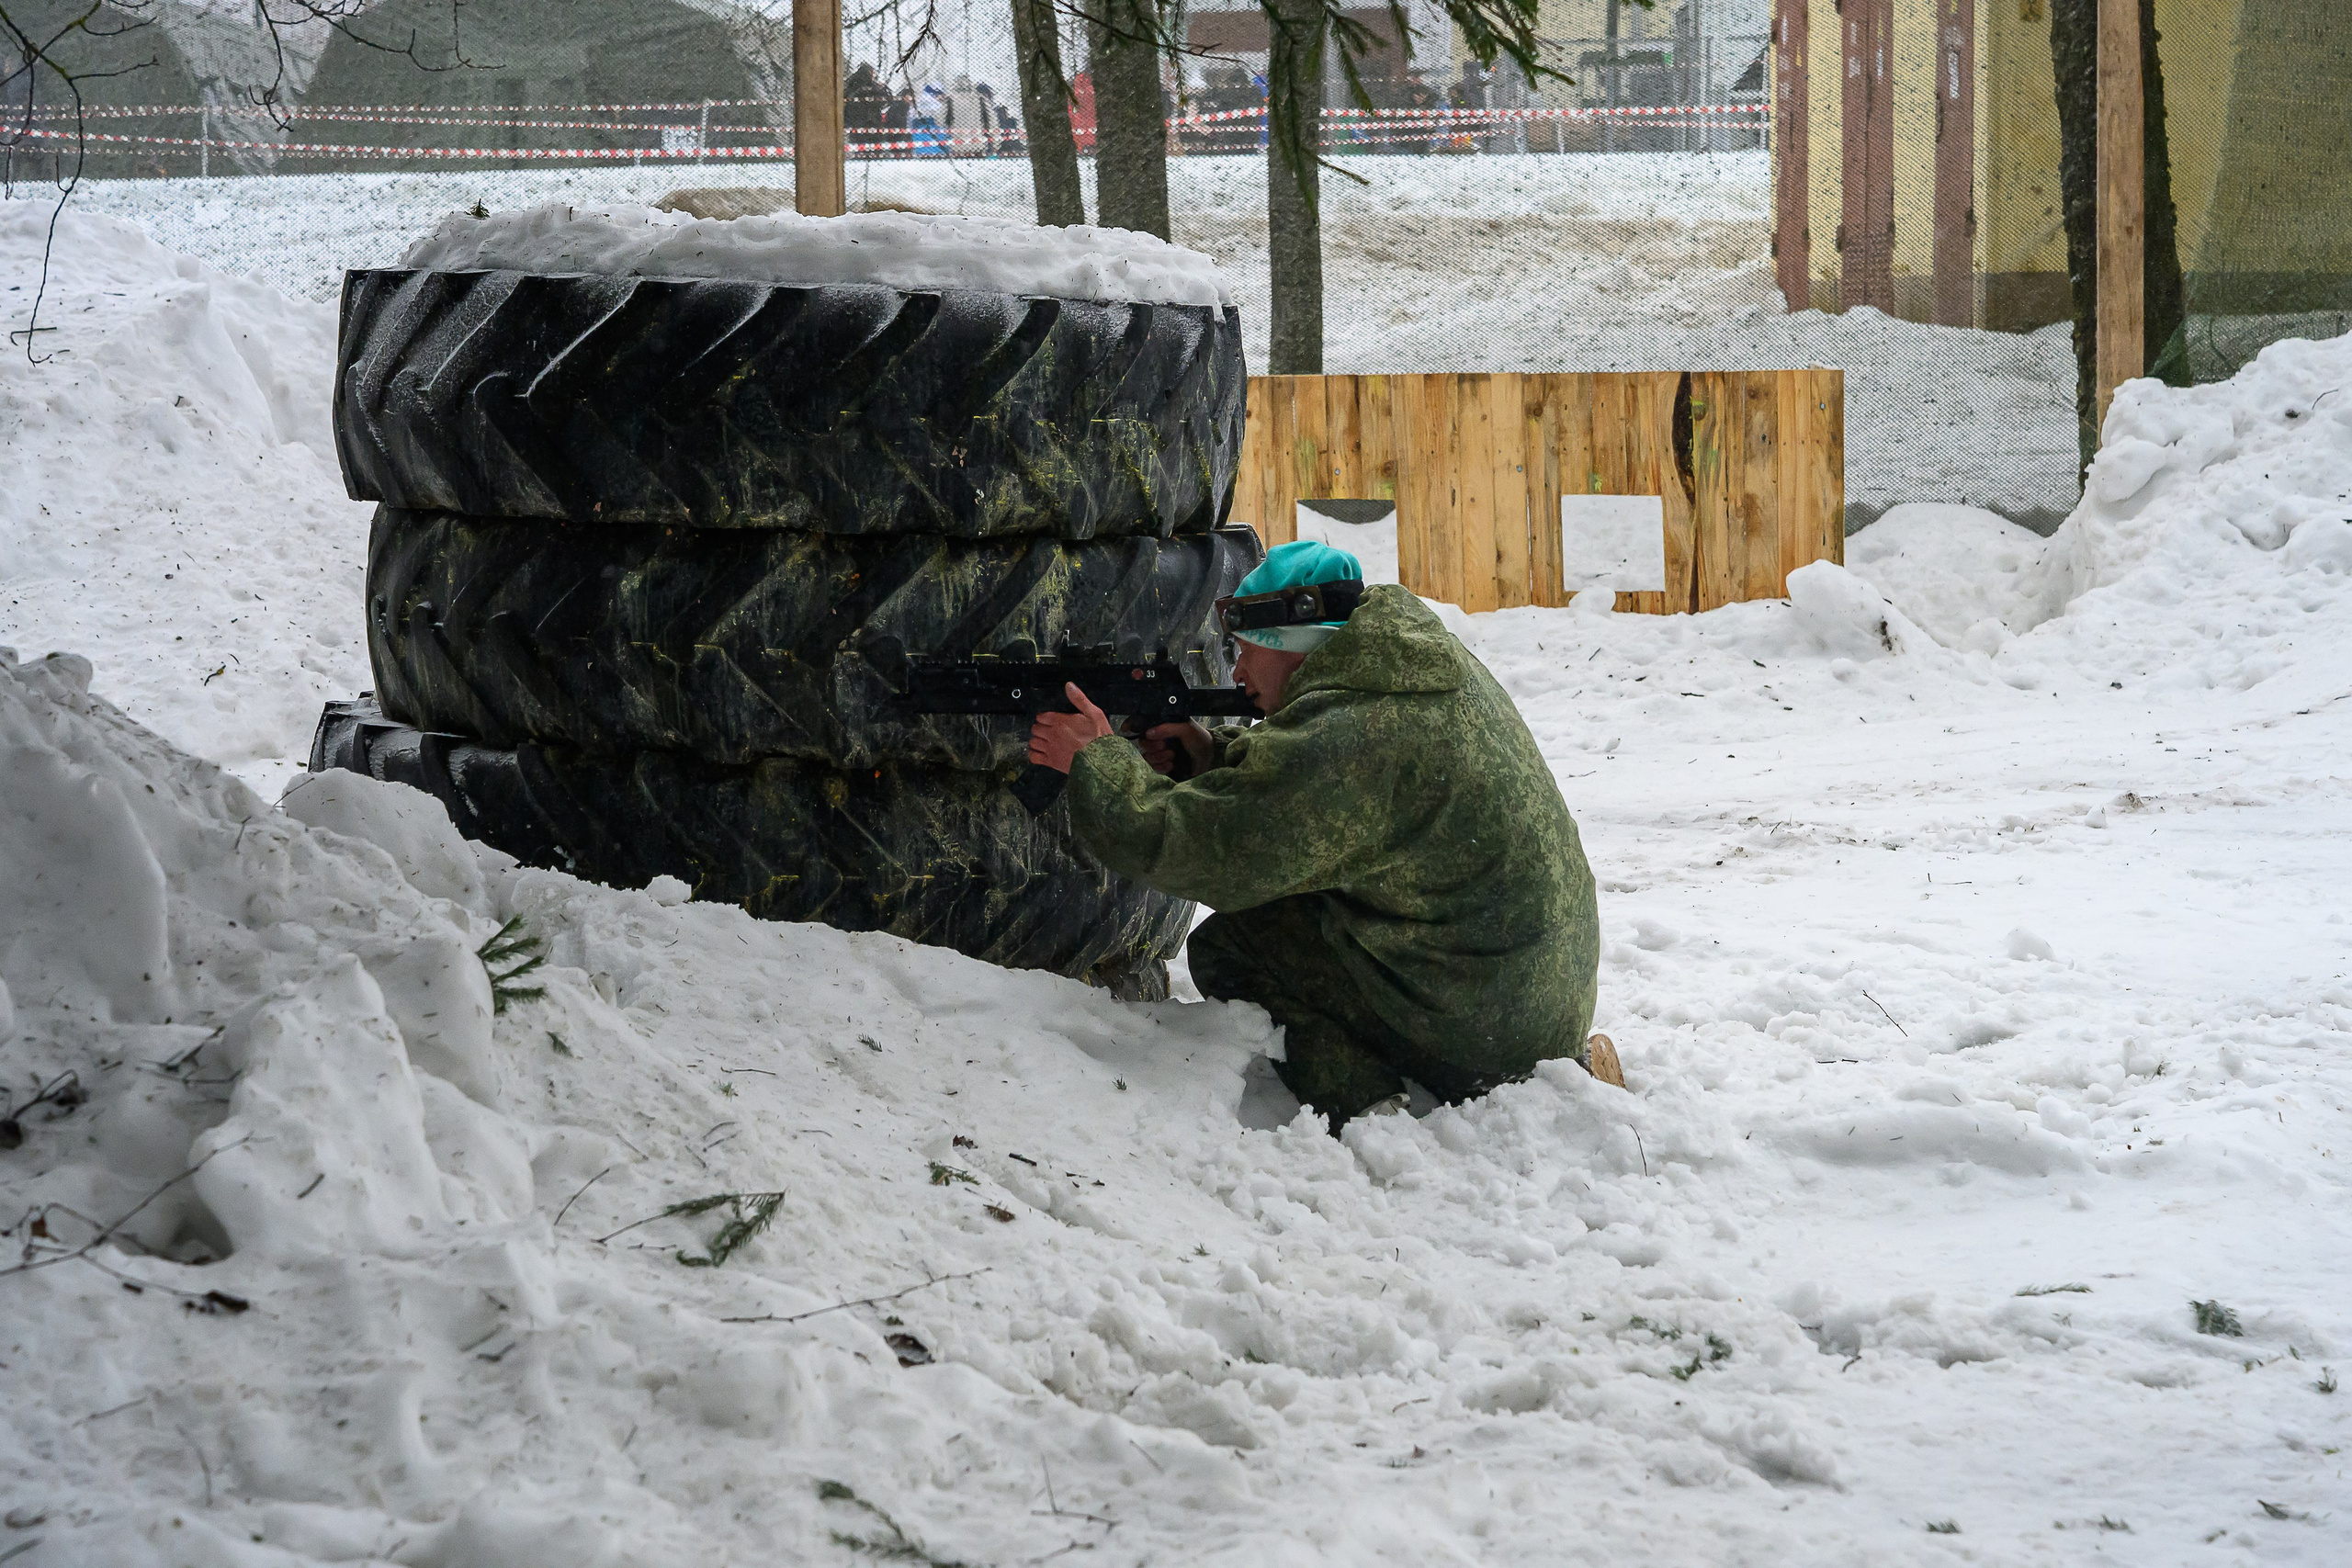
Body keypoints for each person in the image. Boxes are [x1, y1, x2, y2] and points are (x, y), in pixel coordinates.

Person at [1027, 541, 1606, 1132]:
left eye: (1247, 651)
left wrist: (1096, 762)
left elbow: (1193, 848)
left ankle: (1365, 1103)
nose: (1237, 672)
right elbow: (1317, 791)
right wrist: (1209, 756)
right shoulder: (1406, 662)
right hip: (1540, 990)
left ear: (1293, 647)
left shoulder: (1352, 735)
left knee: (1233, 946)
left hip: (1486, 1030)